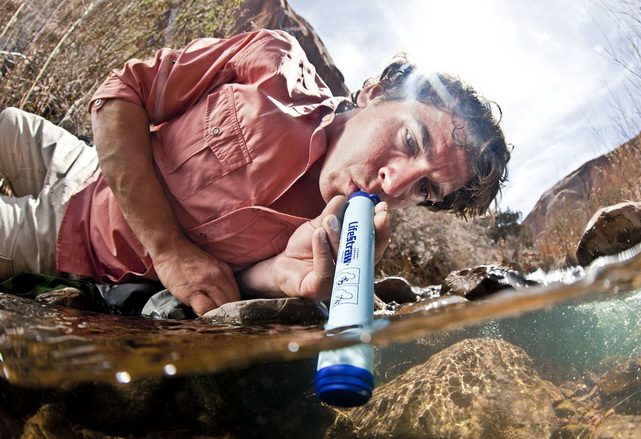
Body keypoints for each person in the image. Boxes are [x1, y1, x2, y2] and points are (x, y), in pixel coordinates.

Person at [0, 29, 510, 316]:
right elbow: (120, 95)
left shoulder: (337, 241)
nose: (395, 184)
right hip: (83, 161)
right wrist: (170, 250)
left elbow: (236, 282)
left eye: (424, 187)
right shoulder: (272, 60)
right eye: (409, 141)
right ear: (375, 93)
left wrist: (287, 279)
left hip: (71, 240)